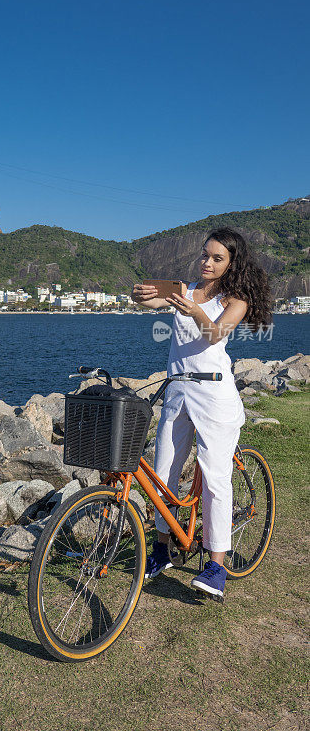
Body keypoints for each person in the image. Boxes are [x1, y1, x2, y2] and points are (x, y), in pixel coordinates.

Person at [132, 227, 272, 600]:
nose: (207, 263)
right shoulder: (184, 288)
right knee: (163, 474)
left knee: (214, 480)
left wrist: (195, 310)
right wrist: (138, 296)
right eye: (204, 255)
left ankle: (216, 567)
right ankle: (161, 550)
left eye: (216, 258)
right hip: (177, 389)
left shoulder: (236, 298)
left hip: (214, 394)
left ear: (231, 263)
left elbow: (216, 334)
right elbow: (149, 304)